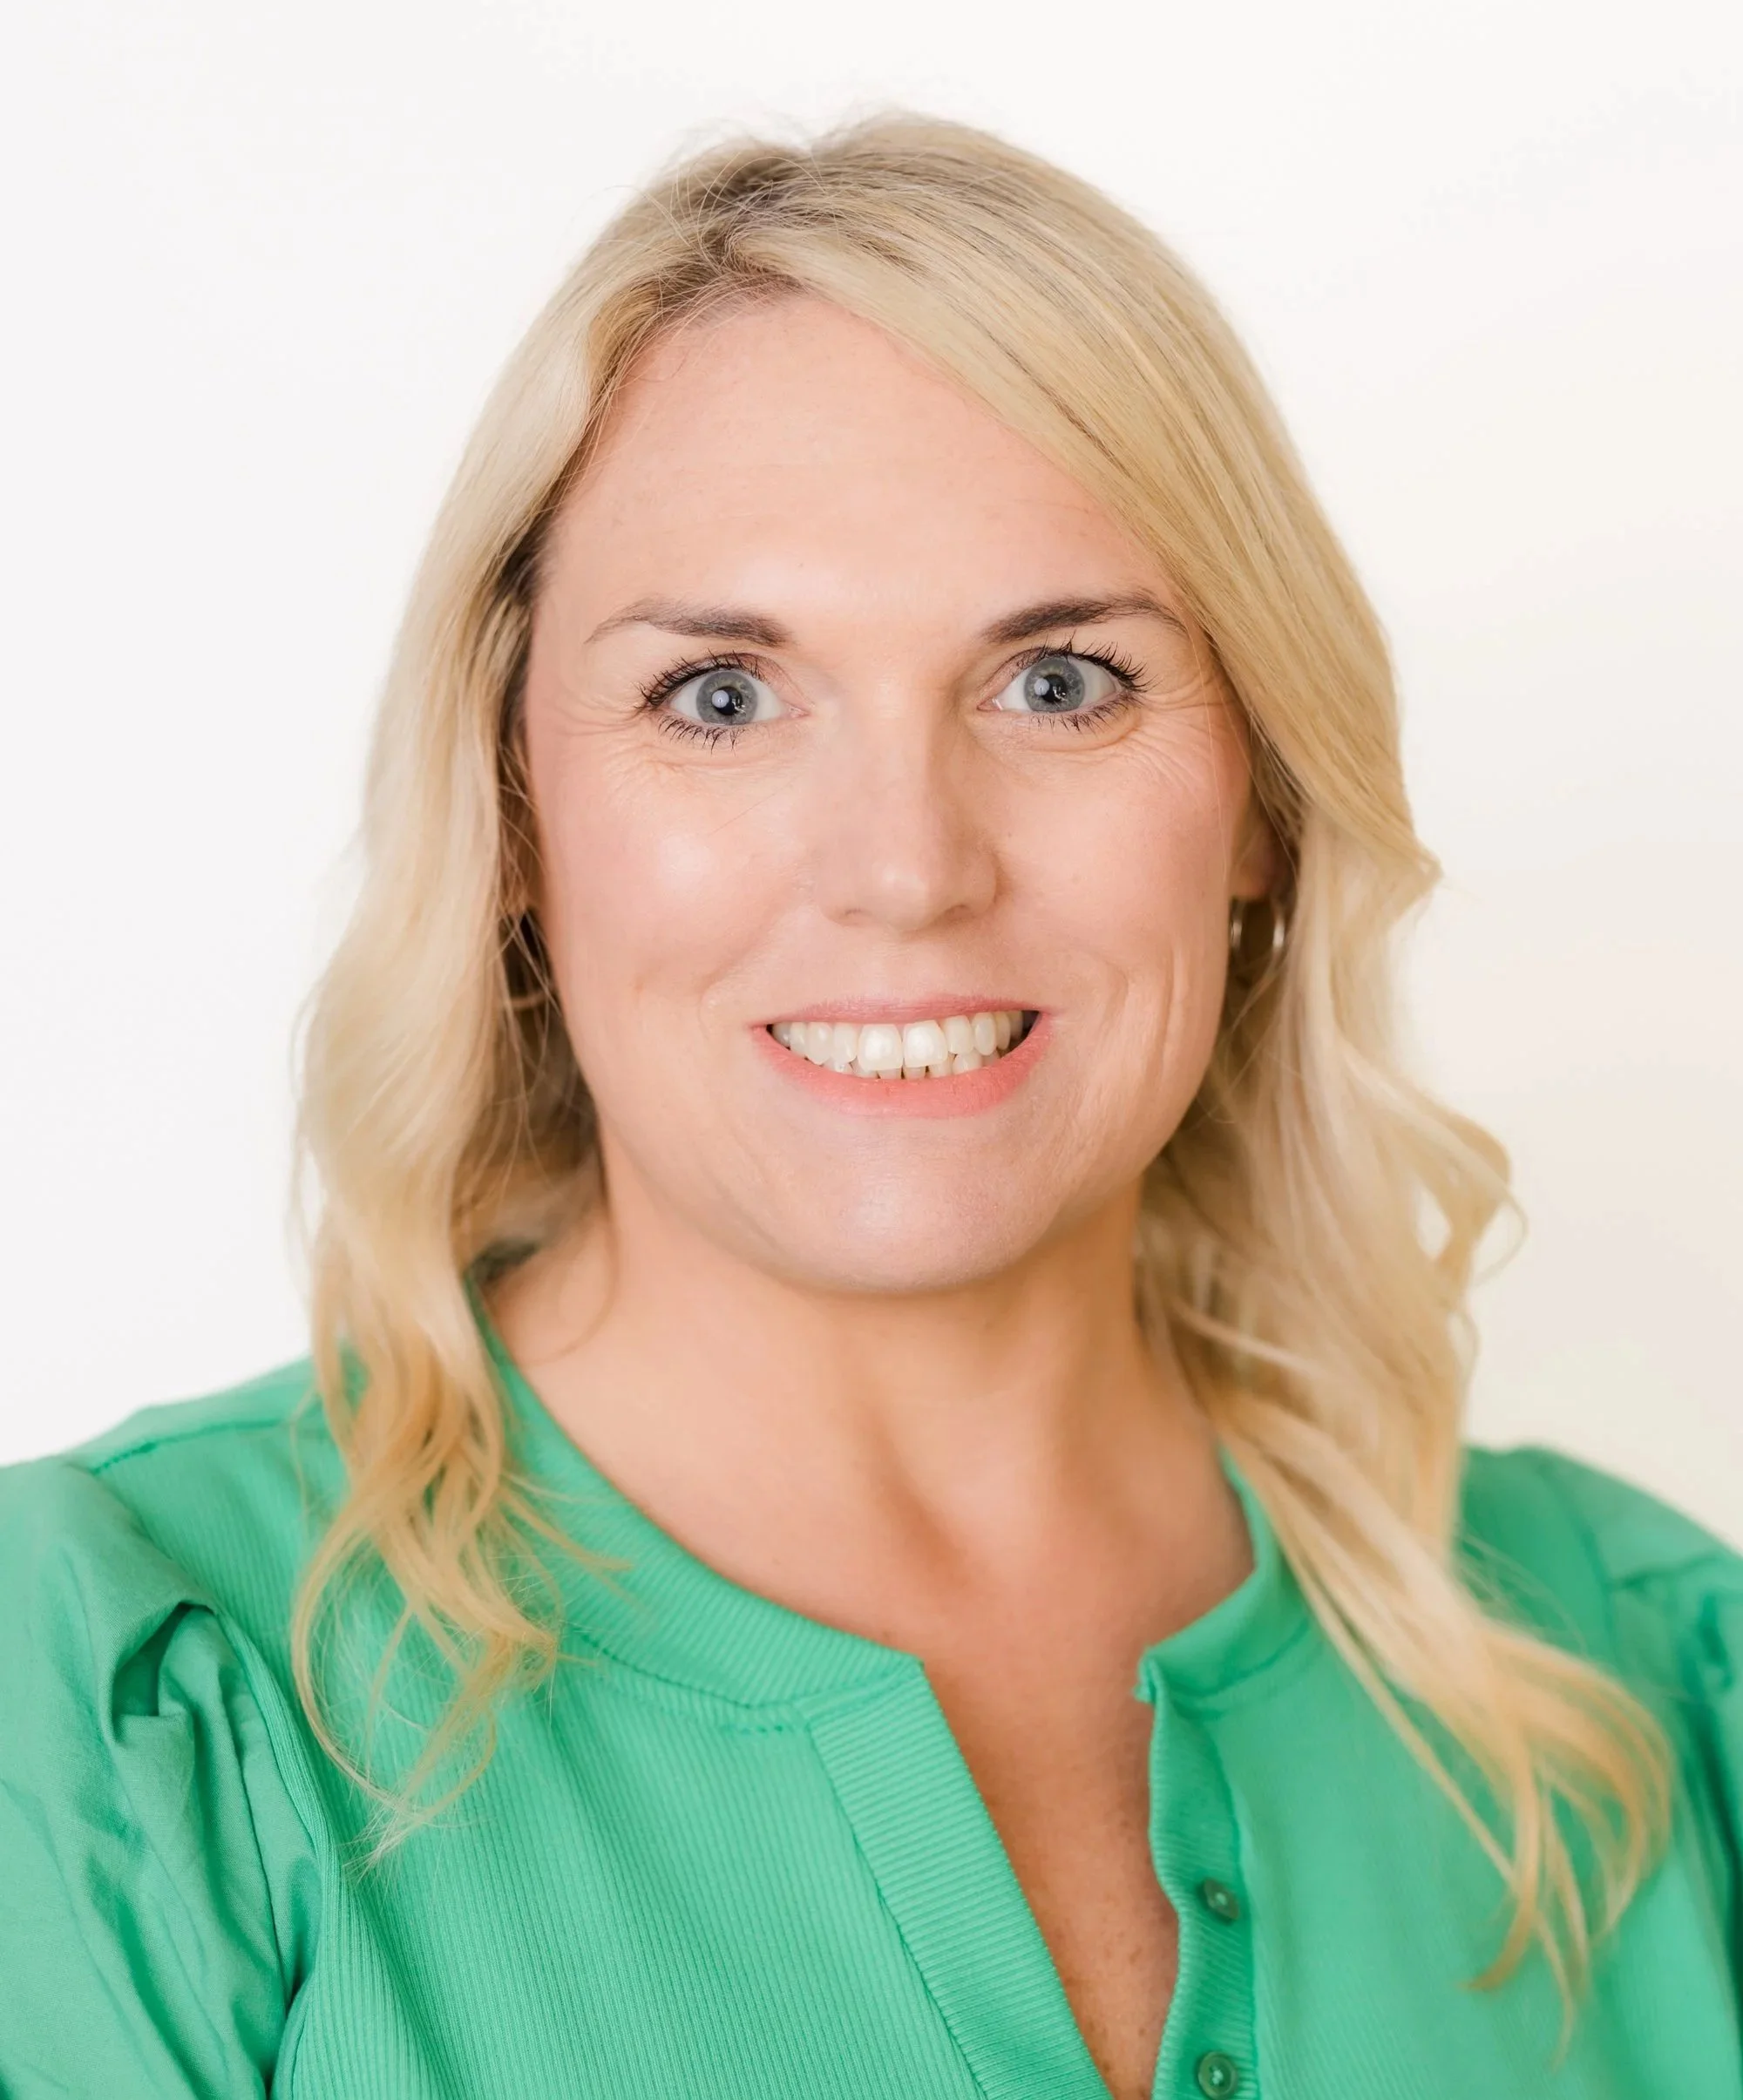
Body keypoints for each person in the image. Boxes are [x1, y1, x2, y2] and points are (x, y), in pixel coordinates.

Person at [0, 113, 1737, 2100]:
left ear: (1259, 798)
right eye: (722, 698)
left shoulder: (1651, 1682)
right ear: (509, 812)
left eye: (1063, 683)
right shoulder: (120, 1708)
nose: (906, 867)